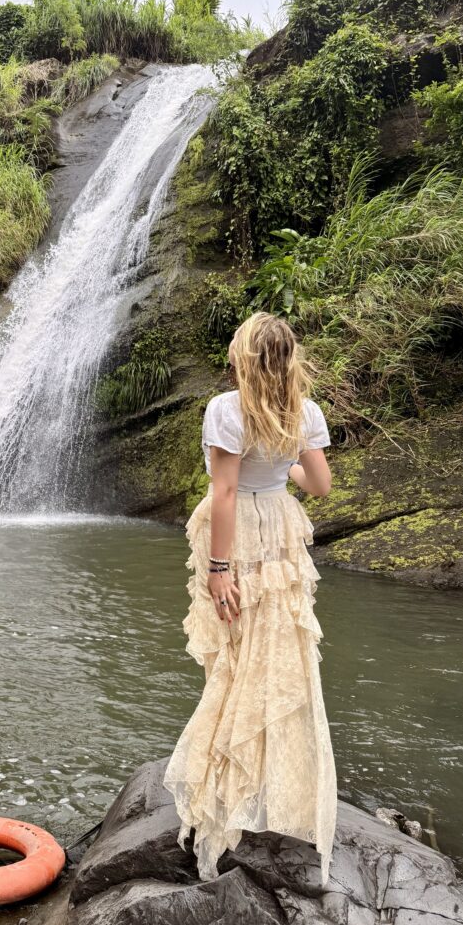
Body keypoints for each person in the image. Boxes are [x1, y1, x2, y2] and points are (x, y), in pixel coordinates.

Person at [162, 311, 337, 885]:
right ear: (290, 361)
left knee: (237, 656)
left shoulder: (227, 408)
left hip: (236, 533)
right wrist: (286, 466)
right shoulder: (304, 412)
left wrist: (218, 568)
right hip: (281, 527)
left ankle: (227, 787)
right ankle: (268, 785)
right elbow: (320, 485)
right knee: (278, 651)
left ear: (244, 357)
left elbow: (227, 490)